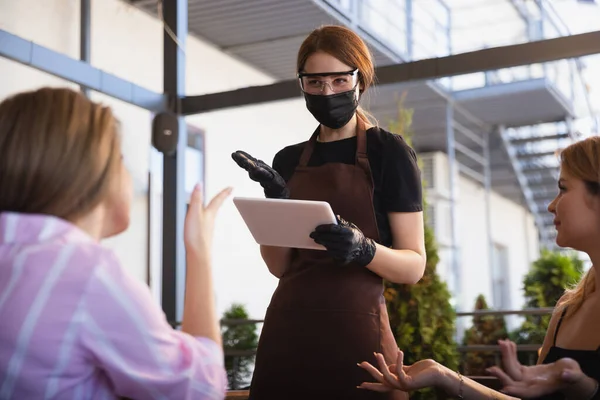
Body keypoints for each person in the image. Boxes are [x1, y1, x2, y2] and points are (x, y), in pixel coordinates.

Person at [232, 25, 426, 400]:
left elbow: (413, 266)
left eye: (340, 80)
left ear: (360, 81)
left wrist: (364, 249)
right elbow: (278, 266)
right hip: (288, 329)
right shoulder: (288, 160)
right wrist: (277, 201)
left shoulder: (390, 154)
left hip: (358, 333)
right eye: (315, 83)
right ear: (302, 84)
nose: (328, 92)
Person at [0, 87, 232, 399]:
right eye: (121, 159)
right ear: (90, 173)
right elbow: (201, 390)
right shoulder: (85, 273)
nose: (131, 175)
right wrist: (199, 250)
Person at [357, 136, 600, 400]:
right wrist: (443, 375)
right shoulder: (568, 308)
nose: (551, 205)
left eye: (563, 189)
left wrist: (583, 387)